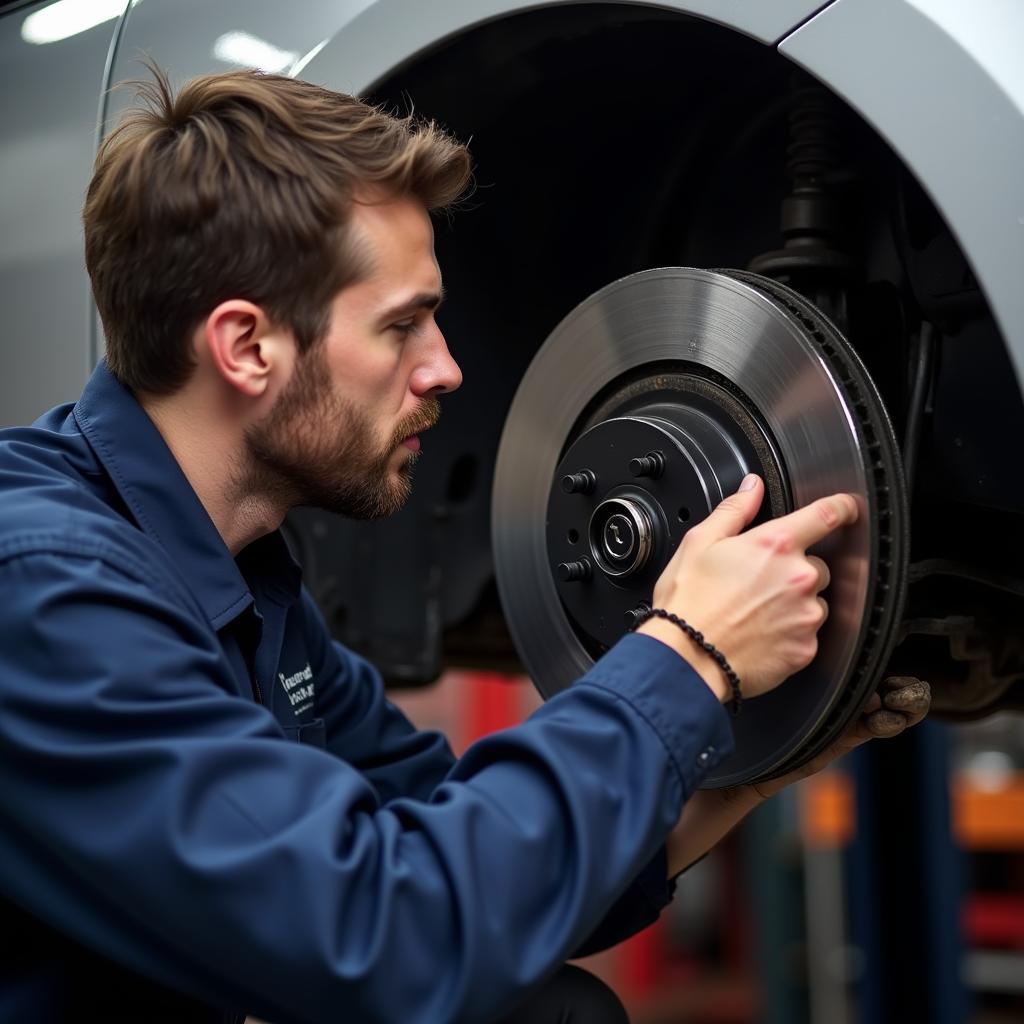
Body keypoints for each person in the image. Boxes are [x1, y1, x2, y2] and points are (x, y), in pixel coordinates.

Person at [0, 67, 928, 1024]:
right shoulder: (43, 591)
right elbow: (396, 935)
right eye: (401, 325)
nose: (445, 367)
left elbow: (494, 875)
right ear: (246, 348)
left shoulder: (251, 580)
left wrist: (747, 746)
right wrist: (687, 654)